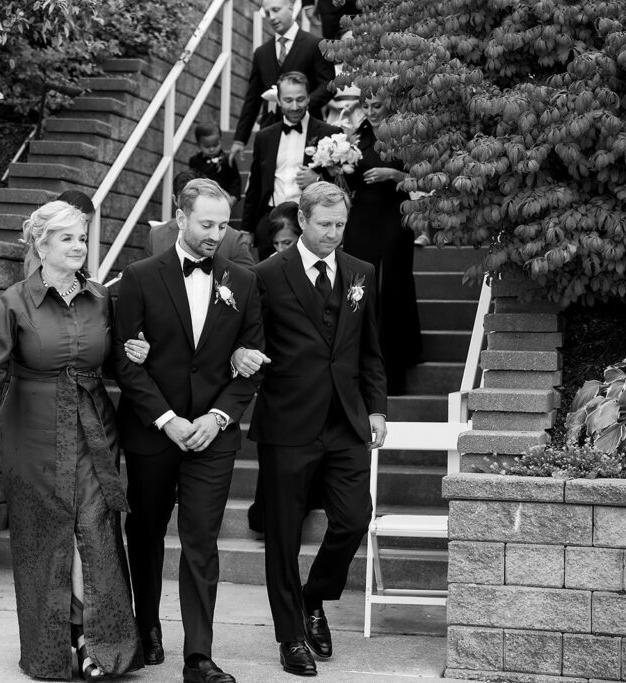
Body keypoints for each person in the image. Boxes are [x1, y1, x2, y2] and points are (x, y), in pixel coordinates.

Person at [0, 200, 150, 681]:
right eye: (67, 237)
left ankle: (98, 644)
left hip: (94, 432)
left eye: (83, 237)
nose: (79, 246)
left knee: (94, 531)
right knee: (46, 539)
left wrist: (136, 351)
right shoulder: (13, 302)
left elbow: (114, 364)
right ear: (41, 244)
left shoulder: (100, 298)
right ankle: (56, 643)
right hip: (32, 435)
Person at [232, 182, 387, 677]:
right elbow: (247, 340)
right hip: (288, 422)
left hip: (346, 419)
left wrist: (377, 409)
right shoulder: (265, 275)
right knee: (282, 535)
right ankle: (290, 636)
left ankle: (313, 596)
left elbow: (370, 350)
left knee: (352, 519)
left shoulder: (361, 273)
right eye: (325, 225)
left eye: (340, 225)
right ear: (302, 221)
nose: (333, 234)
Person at [113, 178, 265, 683]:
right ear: (180, 218)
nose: (214, 235)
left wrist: (217, 418)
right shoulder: (138, 277)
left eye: (223, 226)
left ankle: (199, 656)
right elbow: (125, 361)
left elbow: (251, 364)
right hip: (154, 432)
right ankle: (147, 624)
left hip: (212, 437)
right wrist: (168, 419)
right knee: (147, 531)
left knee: (202, 539)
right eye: (206, 224)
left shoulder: (241, 282)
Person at [341, 90, 422, 395]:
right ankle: (357, 357)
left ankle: (398, 358)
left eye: (377, 106)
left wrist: (392, 173)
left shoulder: (403, 135)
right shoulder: (354, 137)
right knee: (358, 284)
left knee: (393, 285)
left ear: (389, 106)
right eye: (367, 106)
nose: (371, 111)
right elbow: (346, 182)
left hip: (394, 214)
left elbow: (421, 178)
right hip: (362, 217)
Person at [242, 71, 342, 260]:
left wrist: (318, 180)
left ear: (308, 97)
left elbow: (342, 183)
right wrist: (247, 228)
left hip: (311, 222)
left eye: (300, 99)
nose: (295, 106)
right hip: (272, 223)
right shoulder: (264, 137)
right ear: (278, 100)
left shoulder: (330, 133)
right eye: (288, 100)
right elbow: (255, 185)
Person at [228, 0, 335, 167]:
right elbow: (252, 99)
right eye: (267, 13)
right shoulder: (261, 53)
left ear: (291, 7)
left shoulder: (315, 44)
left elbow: (329, 85)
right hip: (270, 130)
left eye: (276, 10)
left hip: (308, 130)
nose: (271, 17)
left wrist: (301, 104)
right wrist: (240, 139)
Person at [144, 170, 256, 268]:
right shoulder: (156, 236)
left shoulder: (234, 239)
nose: (215, 236)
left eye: (222, 227)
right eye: (186, 197)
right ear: (175, 200)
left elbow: (249, 284)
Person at [23, 190, 96, 277]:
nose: (85, 229)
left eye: (88, 223)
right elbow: (36, 287)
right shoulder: (40, 254)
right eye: (85, 221)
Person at [188, 121, 243, 202]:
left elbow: (235, 180)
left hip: (224, 198)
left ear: (221, 140)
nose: (212, 149)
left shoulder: (228, 159)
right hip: (202, 200)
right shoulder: (195, 161)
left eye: (215, 145)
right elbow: (193, 181)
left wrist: (233, 197)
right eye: (207, 146)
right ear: (199, 144)